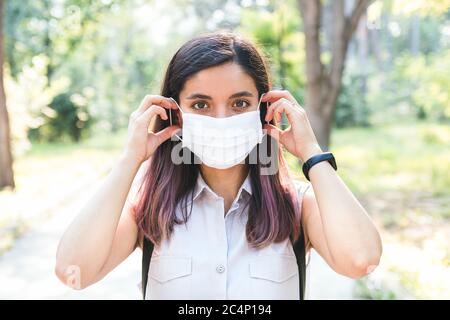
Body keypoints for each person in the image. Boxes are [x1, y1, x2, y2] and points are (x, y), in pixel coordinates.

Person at [55, 31, 382, 299]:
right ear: (174, 114)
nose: (222, 119)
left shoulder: (297, 206)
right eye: (201, 104)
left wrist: (311, 153)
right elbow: (74, 272)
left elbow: (361, 260)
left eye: (240, 103)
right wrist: (130, 160)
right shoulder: (148, 209)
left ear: (264, 109)